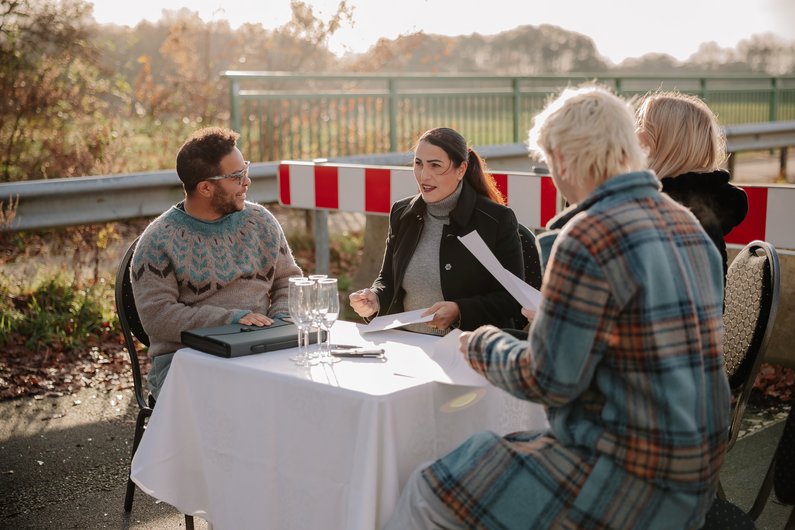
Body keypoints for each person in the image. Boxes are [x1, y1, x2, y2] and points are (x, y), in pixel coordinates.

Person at [384, 85, 731, 529]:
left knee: (428, 489)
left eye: (549, 164)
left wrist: (480, 342)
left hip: (626, 475)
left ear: (564, 158)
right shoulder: (689, 226)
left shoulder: (587, 235)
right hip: (695, 471)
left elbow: (547, 379)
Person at [131, 126, 302, 399]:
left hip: (259, 350)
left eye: (245, 169)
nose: (247, 182)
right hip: (185, 361)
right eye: (236, 176)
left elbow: (288, 280)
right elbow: (158, 317)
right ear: (206, 187)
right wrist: (234, 320)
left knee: (315, 390)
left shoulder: (260, 221)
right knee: (248, 400)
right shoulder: (158, 241)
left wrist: (280, 323)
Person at [348, 127, 523, 335]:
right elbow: (388, 279)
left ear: (461, 169)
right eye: (418, 163)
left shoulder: (496, 220)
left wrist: (460, 311)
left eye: (435, 166)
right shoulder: (402, 213)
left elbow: (511, 299)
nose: (424, 175)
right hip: (407, 345)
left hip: (467, 350)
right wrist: (375, 298)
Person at [636, 90, 748, 280]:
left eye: (641, 124)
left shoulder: (664, 210)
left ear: (666, 145)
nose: (635, 133)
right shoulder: (702, 204)